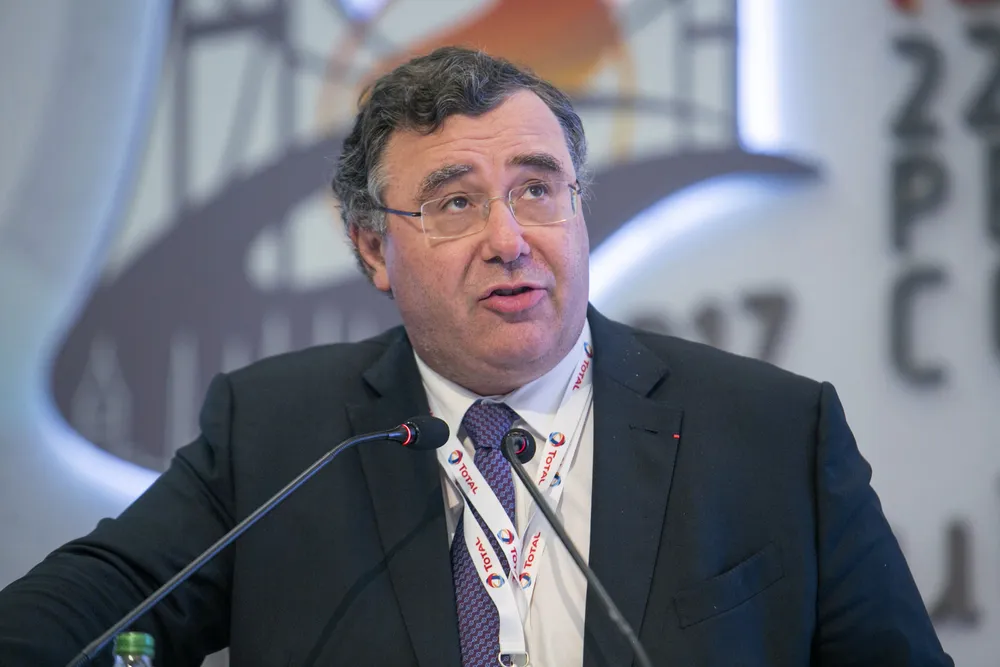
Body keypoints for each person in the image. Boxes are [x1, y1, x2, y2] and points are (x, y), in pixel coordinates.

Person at [0, 46, 952, 667]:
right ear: (373, 248)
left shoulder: (773, 432)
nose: (510, 239)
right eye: (455, 203)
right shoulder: (278, 434)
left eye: (538, 190)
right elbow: (90, 609)